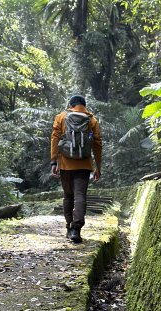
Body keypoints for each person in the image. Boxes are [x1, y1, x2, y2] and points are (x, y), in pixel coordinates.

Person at [50, 95, 102, 243]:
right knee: (80, 195)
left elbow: (54, 139)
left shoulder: (61, 117)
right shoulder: (92, 120)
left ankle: (68, 227)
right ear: (84, 106)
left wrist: (53, 162)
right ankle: (76, 229)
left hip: (65, 164)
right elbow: (97, 144)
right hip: (84, 165)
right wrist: (98, 167)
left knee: (68, 196)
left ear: (70, 105)